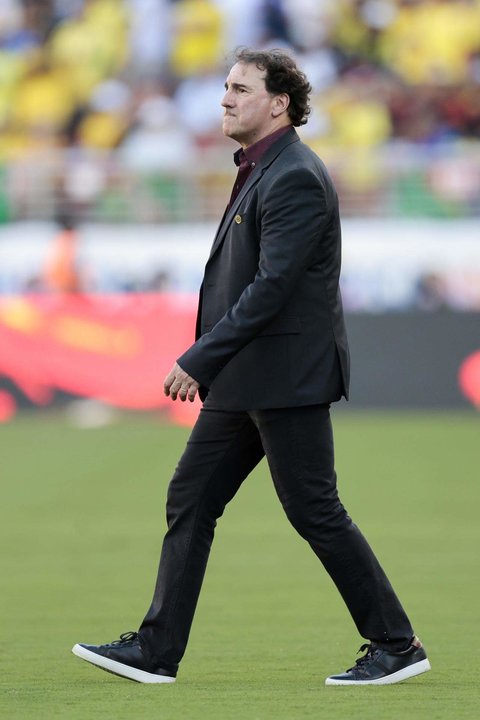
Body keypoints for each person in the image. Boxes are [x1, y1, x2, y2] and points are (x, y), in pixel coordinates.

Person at [72, 48, 430, 686]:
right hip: (250, 377)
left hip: (283, 375)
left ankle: (397, 645)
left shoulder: (294, 173)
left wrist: (200, 356)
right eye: (225, 88)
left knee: (314, 509)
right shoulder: (264, 168)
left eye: (240, 88)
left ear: (278, 103)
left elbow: (272, 287)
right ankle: (156, 652)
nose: (226, 98)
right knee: (191, 496)